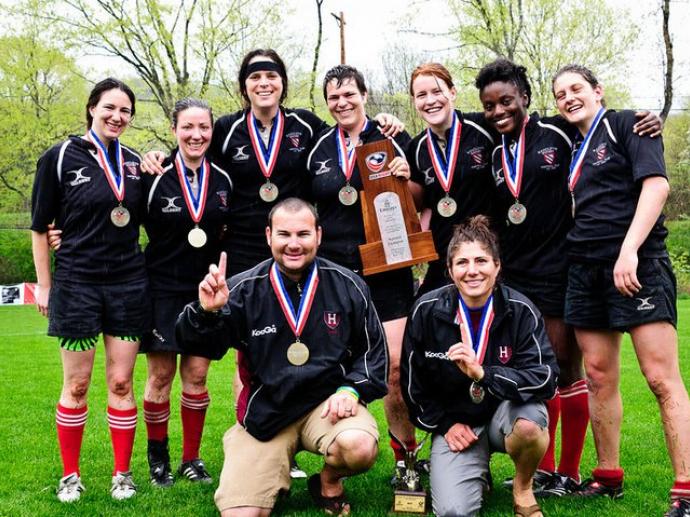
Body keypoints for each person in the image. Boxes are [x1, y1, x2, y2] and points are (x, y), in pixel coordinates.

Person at [176, 198, 388, 516]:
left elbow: (374, 353)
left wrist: (351, 389)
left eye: (302, 234)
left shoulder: (349, 285)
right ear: (268, 236)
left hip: (326, 409)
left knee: (359, 446)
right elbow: (200, 344)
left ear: (318, 235)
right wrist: (207, 312)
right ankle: (273, 468)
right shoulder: (243, 289)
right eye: (284, 234)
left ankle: (327, 481)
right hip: (267, 416)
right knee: (242, 514)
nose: (293, 244)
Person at [551, 64, 690, 515]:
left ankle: (686, 490)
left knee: (660, 379)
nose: (569, 97)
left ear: (598, 90)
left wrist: (628, 251)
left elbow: (656, 185)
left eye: (576, 89)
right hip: (584, 271)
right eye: (560, 93)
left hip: (636, 266)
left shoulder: (629, 123)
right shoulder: (569, 143)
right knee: (598, 376)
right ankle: (608, 477)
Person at [31, 78, 148, 502]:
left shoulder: (136, 163)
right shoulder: (59, 157)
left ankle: (122, 474)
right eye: (109, 108)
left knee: (120, 382)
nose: (117, 116)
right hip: (77, 283)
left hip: (128, 284)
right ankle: (71, 475)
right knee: (76, 385)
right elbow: (40, 229)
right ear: (91, 109)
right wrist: (44, 286)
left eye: (125, 111)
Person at [401, 216, 558, 517]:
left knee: (528, 427)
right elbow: (413, 386)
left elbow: (545, 378)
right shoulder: (426, 311)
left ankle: (523, 488)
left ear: (497, 266)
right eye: (462, 263)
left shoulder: (521, 310)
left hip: (507, 417)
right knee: (452, 512)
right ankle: (477, 473)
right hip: (459, 425)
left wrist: (485, 374)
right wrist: (444, 425)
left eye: (481, 261)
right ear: (449, 270)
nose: (472, 271)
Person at [306, 64, 420, 477]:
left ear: (364, 95)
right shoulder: (318, 148)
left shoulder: (391, 137)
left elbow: (423, 193)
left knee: (393, 367)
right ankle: (329, 460)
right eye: (333, 97)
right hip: (335, 275)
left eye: (349, 94)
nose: (342, 103)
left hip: (387, 270)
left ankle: (406, 461)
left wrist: (408, 178)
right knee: (333, 364)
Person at [140, 98, 233, 487]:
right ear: (174, 129)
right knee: (160, 376)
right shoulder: (153, 176)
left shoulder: (225, 180)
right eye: (187, 127)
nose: (196, 135)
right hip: (162, 287)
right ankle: (157, 457)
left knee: (196, 375)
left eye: (204, 128)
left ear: (212, 131)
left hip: (204, 291)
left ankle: (191, 459)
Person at [406, 63, 499, 297]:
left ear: (452, 92)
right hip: (444, 260)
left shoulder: (485, 128)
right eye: (421, 95)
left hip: (486, 256)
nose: (430, 101)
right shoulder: (415, 148)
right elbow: (423, 204)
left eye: (437, 92)